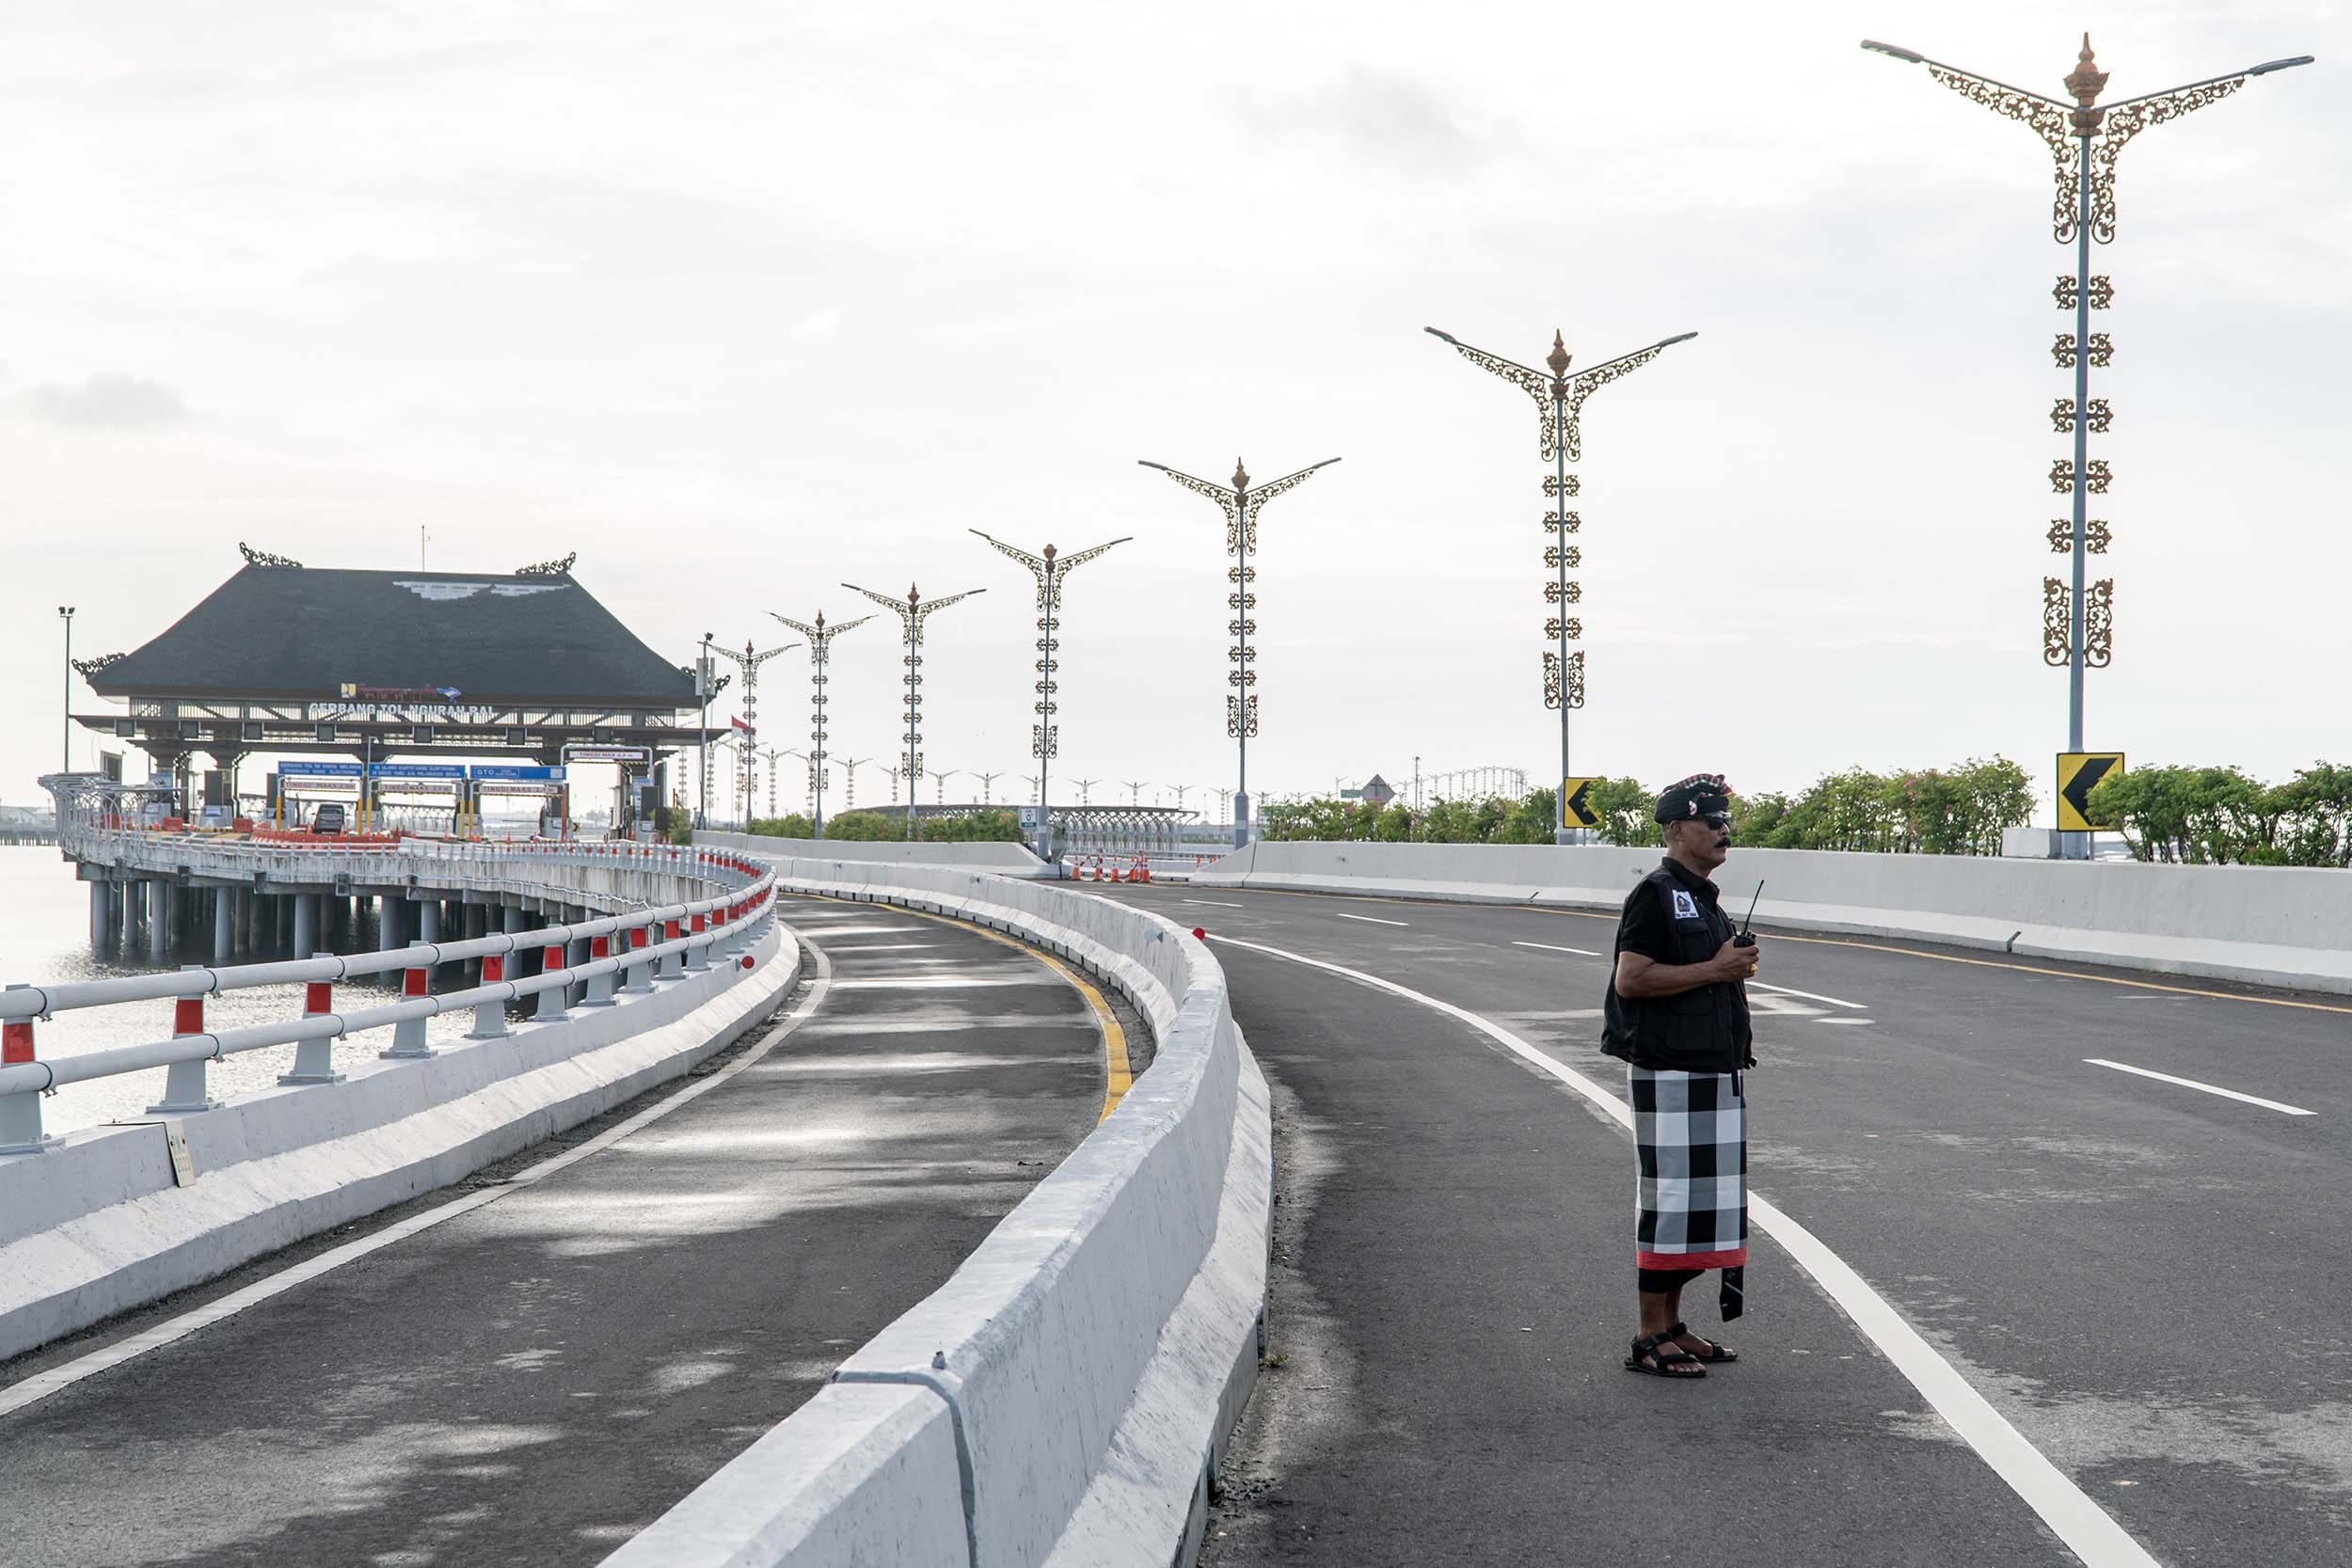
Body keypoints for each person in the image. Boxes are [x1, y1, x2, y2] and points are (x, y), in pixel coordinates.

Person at [1600, 773, 1759, 1380]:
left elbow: (1707, 972)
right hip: (1670, 1070)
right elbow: (1631, 980)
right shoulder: (1655, 894)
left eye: (1724, 821)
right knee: (1670, 1203)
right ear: (1674, 830)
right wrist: (1717, 969)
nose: (1723, 831)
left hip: (1712, 1068)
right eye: (1709, 821)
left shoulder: (1704, 898)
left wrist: (1728, 967)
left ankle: (1670, 1325)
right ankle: (1647, 1335)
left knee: (1701, 1208)